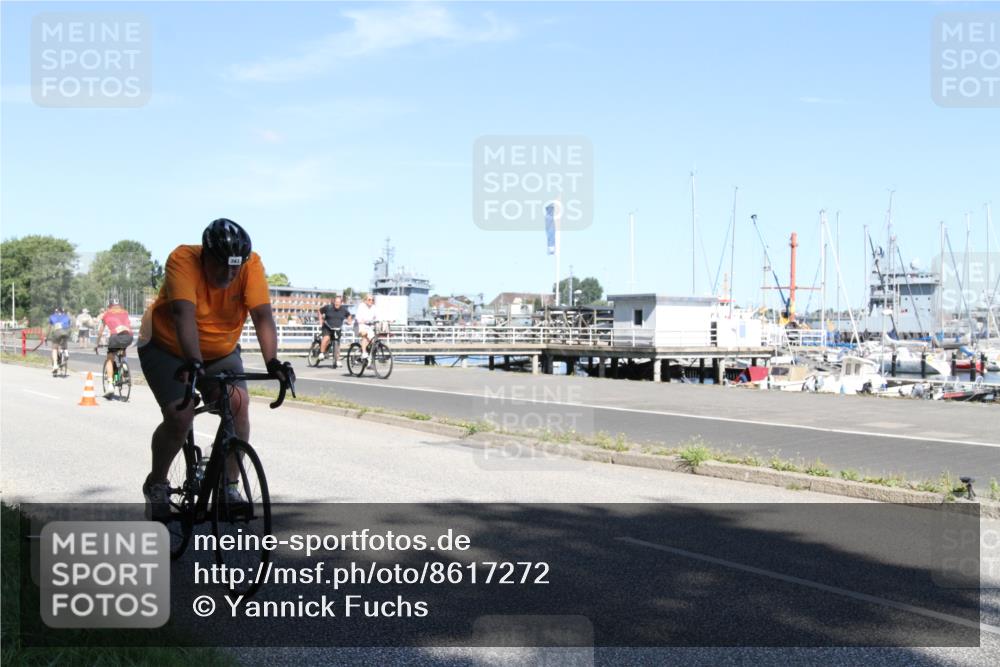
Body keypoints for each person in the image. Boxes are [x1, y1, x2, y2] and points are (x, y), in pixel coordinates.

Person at [138, 218, 291, 520]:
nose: (230, 274)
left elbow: (262, 316)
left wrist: (273, 362)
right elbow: (183, 315)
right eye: (222, 266)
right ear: (205, 256)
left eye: (236, 267)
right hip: (167, 344)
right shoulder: (182, 260)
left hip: (220, 347)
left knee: (238, 403)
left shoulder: (251, 266)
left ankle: (229, 487)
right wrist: (193, 362)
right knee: (179, 415)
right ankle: (156, 483)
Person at [95, 298, 134, 389]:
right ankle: (124, 365)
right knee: (122, 349)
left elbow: (100, 332)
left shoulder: (106, 314)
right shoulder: (125, 312)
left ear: (109, 306)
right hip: (129, 336)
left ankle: (110, 385)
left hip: (115, 337)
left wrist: (97, 344)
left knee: (110, 359)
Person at [318, 294, 353, 367]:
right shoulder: (328, 307)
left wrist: (349, 321)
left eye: (339, 302)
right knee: (326, 338)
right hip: (327, 326)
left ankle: (337, 360)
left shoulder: (344, 310)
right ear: (334, 302)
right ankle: (321, 353)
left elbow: (349, 315)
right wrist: (320, 320)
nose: (337, 303)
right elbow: (319, 311)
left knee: (337, 344)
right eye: (336, 302)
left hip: (337, 328)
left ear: (341, 303)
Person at [47, 307, 72, 376]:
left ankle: (55, 365)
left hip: (57, 332)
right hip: (66, 332)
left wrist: (46, 336)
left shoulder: (52, 317)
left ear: (55, 312)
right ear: (63, 312)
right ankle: (66, 352)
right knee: (64, 340)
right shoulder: (67, 316)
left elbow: (49, 328)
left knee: (54, 348)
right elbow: (70, 326)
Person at [354, 294, 377, 358]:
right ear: (365, 300)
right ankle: (364, 353)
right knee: (365, 335)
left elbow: (377, 316)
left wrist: (388, 320)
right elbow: (357, 317)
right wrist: (360, 320)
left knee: (373, 341)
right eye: (369, 300)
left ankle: (369, 358)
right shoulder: (361, 306)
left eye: (372, 300)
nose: (371, 301)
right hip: (359, 325)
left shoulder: (374, 307)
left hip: (369, 326)